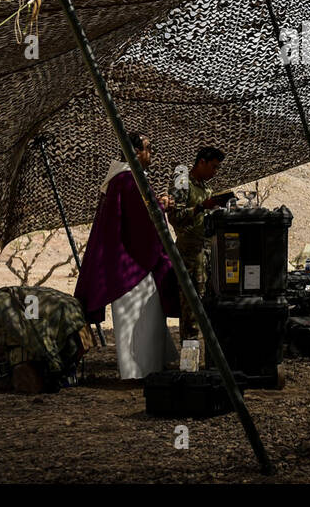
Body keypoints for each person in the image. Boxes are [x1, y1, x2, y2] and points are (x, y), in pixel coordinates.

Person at [73, 131, 177, 380]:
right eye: (147, 148)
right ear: (135, 152)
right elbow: (143, 216)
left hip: (129, 264)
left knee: (146, 320)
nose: (150, 154)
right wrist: (162, 205)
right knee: (138, 323)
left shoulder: (124, 180)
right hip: (133, 265)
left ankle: (147, 369)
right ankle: (137, 373)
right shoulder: (128, 180)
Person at [166, 146, 227, 341]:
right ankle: (188, 362)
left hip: (207, 254)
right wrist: (201, 207)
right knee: (191, 311)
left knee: (206, 307)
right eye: (213, 167)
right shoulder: (182, 183)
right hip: (189, 255)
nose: (215, 172)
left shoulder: (205, 188)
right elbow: (175, 217)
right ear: (201, 162)